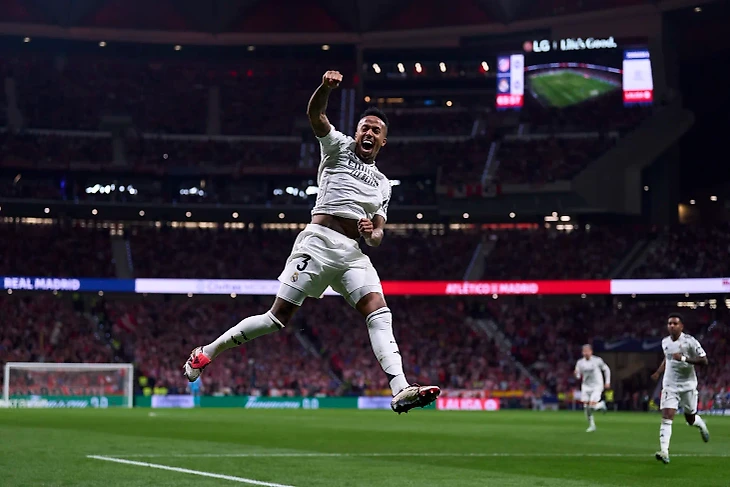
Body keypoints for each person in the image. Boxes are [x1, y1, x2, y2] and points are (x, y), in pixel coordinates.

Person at [183, 70, 440, 414]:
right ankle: (206, 353)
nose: (369, 133)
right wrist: (325, 88)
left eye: (376, 131)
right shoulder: (337, 147)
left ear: (383, 142)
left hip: (353, 254)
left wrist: (371, 234)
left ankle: (400, 389)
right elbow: (315, 114)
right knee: (277, 318)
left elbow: (379, 234)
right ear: (357, 132)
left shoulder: (383, 184)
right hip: (318, 243)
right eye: (365, 127)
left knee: (379, 312)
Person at [651, 312, 710, 464]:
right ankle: (664, 451)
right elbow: (668, 358)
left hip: (688, 385)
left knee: (690, 419)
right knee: (667, 416)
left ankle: (701, 425)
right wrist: (658, 372)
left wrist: (683, 358)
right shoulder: (665, 342)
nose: (672, 326)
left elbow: (704, 361)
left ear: (681, 326)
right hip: (670, 385)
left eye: (675, 323)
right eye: (670, 323)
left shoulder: (690, 341)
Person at [574, 344, 610, 432]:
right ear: (582, 353)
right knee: (586, 407)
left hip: (597, 385)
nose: (586, 353)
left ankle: (601, 404)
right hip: (586, 386)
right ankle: (592, 425)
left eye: (587, 351)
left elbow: (606, 369)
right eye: (584, 351)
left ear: (591, 352)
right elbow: (578, 376)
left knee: (592, 405)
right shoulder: (580, 363)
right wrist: (576, 374)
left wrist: (607, 382)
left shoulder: (597, 360)